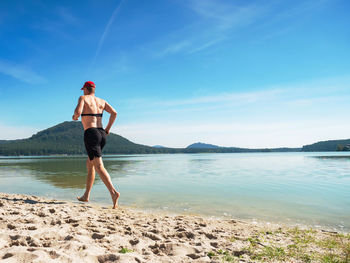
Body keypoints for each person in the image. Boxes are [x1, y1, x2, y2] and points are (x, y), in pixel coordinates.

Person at [72, 81, 120, 209]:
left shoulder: (83, 98)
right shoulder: (102, 101)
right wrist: (108, 129)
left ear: (86, 89)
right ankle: (86, 195)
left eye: (83, 90)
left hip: (91, 133)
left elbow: (77, 112)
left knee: (98, 166)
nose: (83, 92)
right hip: (101, 133)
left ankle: (113, 193)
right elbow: (114, 113)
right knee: (90, 163)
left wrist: (75, 116)